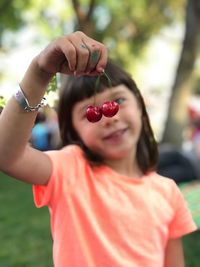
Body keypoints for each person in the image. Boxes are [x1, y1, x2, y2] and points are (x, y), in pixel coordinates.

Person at [0, 31, 197, 267]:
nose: (109, 118)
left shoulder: (168, 192)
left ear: (140, 105)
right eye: (89, 113)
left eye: (119, 100)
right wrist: (40, 73)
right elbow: (7, 155)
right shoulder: (69, 169)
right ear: (73, 130)